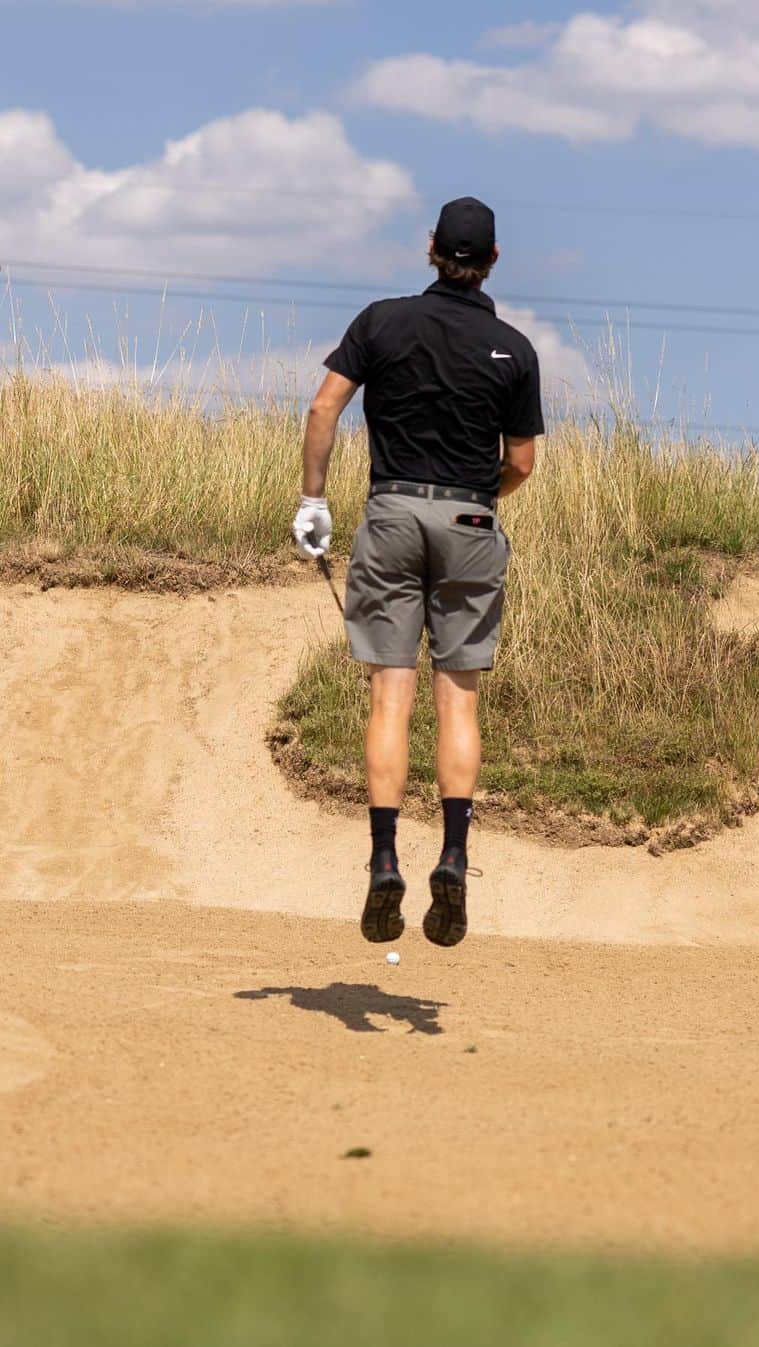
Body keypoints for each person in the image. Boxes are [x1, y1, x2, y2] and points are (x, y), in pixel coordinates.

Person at [291, 197, 542, 948]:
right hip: (470, 521)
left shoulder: (380, 321)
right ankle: (456, 857)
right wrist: (476, 503)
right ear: (493, 259)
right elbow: (523, 462)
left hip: (392, 515)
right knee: (458, 703)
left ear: (430, 247)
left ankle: (384, 860)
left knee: (389, 701)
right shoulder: (513, 347)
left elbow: (322, 408)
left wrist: (313, 500)